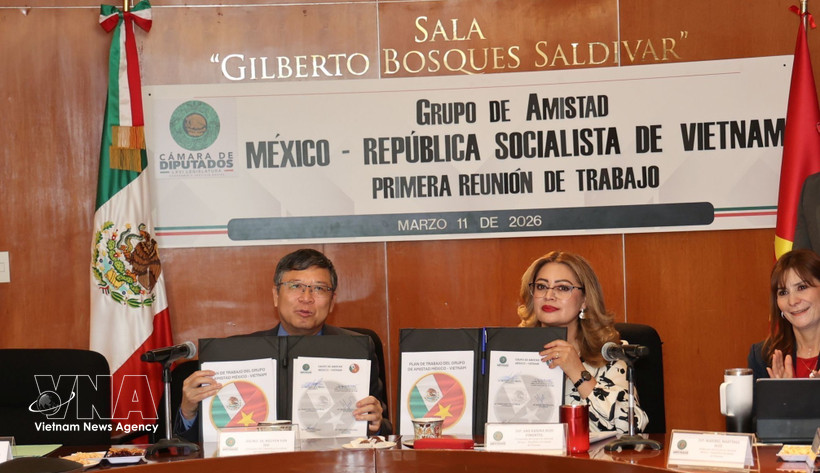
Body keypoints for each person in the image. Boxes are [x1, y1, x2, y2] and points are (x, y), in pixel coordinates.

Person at [174, 248, 391, 442]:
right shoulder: (237, 354)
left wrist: (376, 423)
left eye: (319, 289)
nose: (306, 298)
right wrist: (189, 412)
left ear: (332, 301)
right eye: (296, 286)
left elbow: (384, 429)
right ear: (276, 295)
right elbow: (200, 440)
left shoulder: (354, 349)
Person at [517, 250, 648, 433]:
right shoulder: (513, 353)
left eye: (563, 288)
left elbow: (630, 427)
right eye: (541, 286)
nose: (549, 295)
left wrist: (577, 372)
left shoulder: (609, 355)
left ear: (585, 300)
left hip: (590, 460)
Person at [748, 249, 820, 380]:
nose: (793, 301)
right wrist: (783, 394)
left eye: (802, 287)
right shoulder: (763, 356)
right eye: (783, 292)